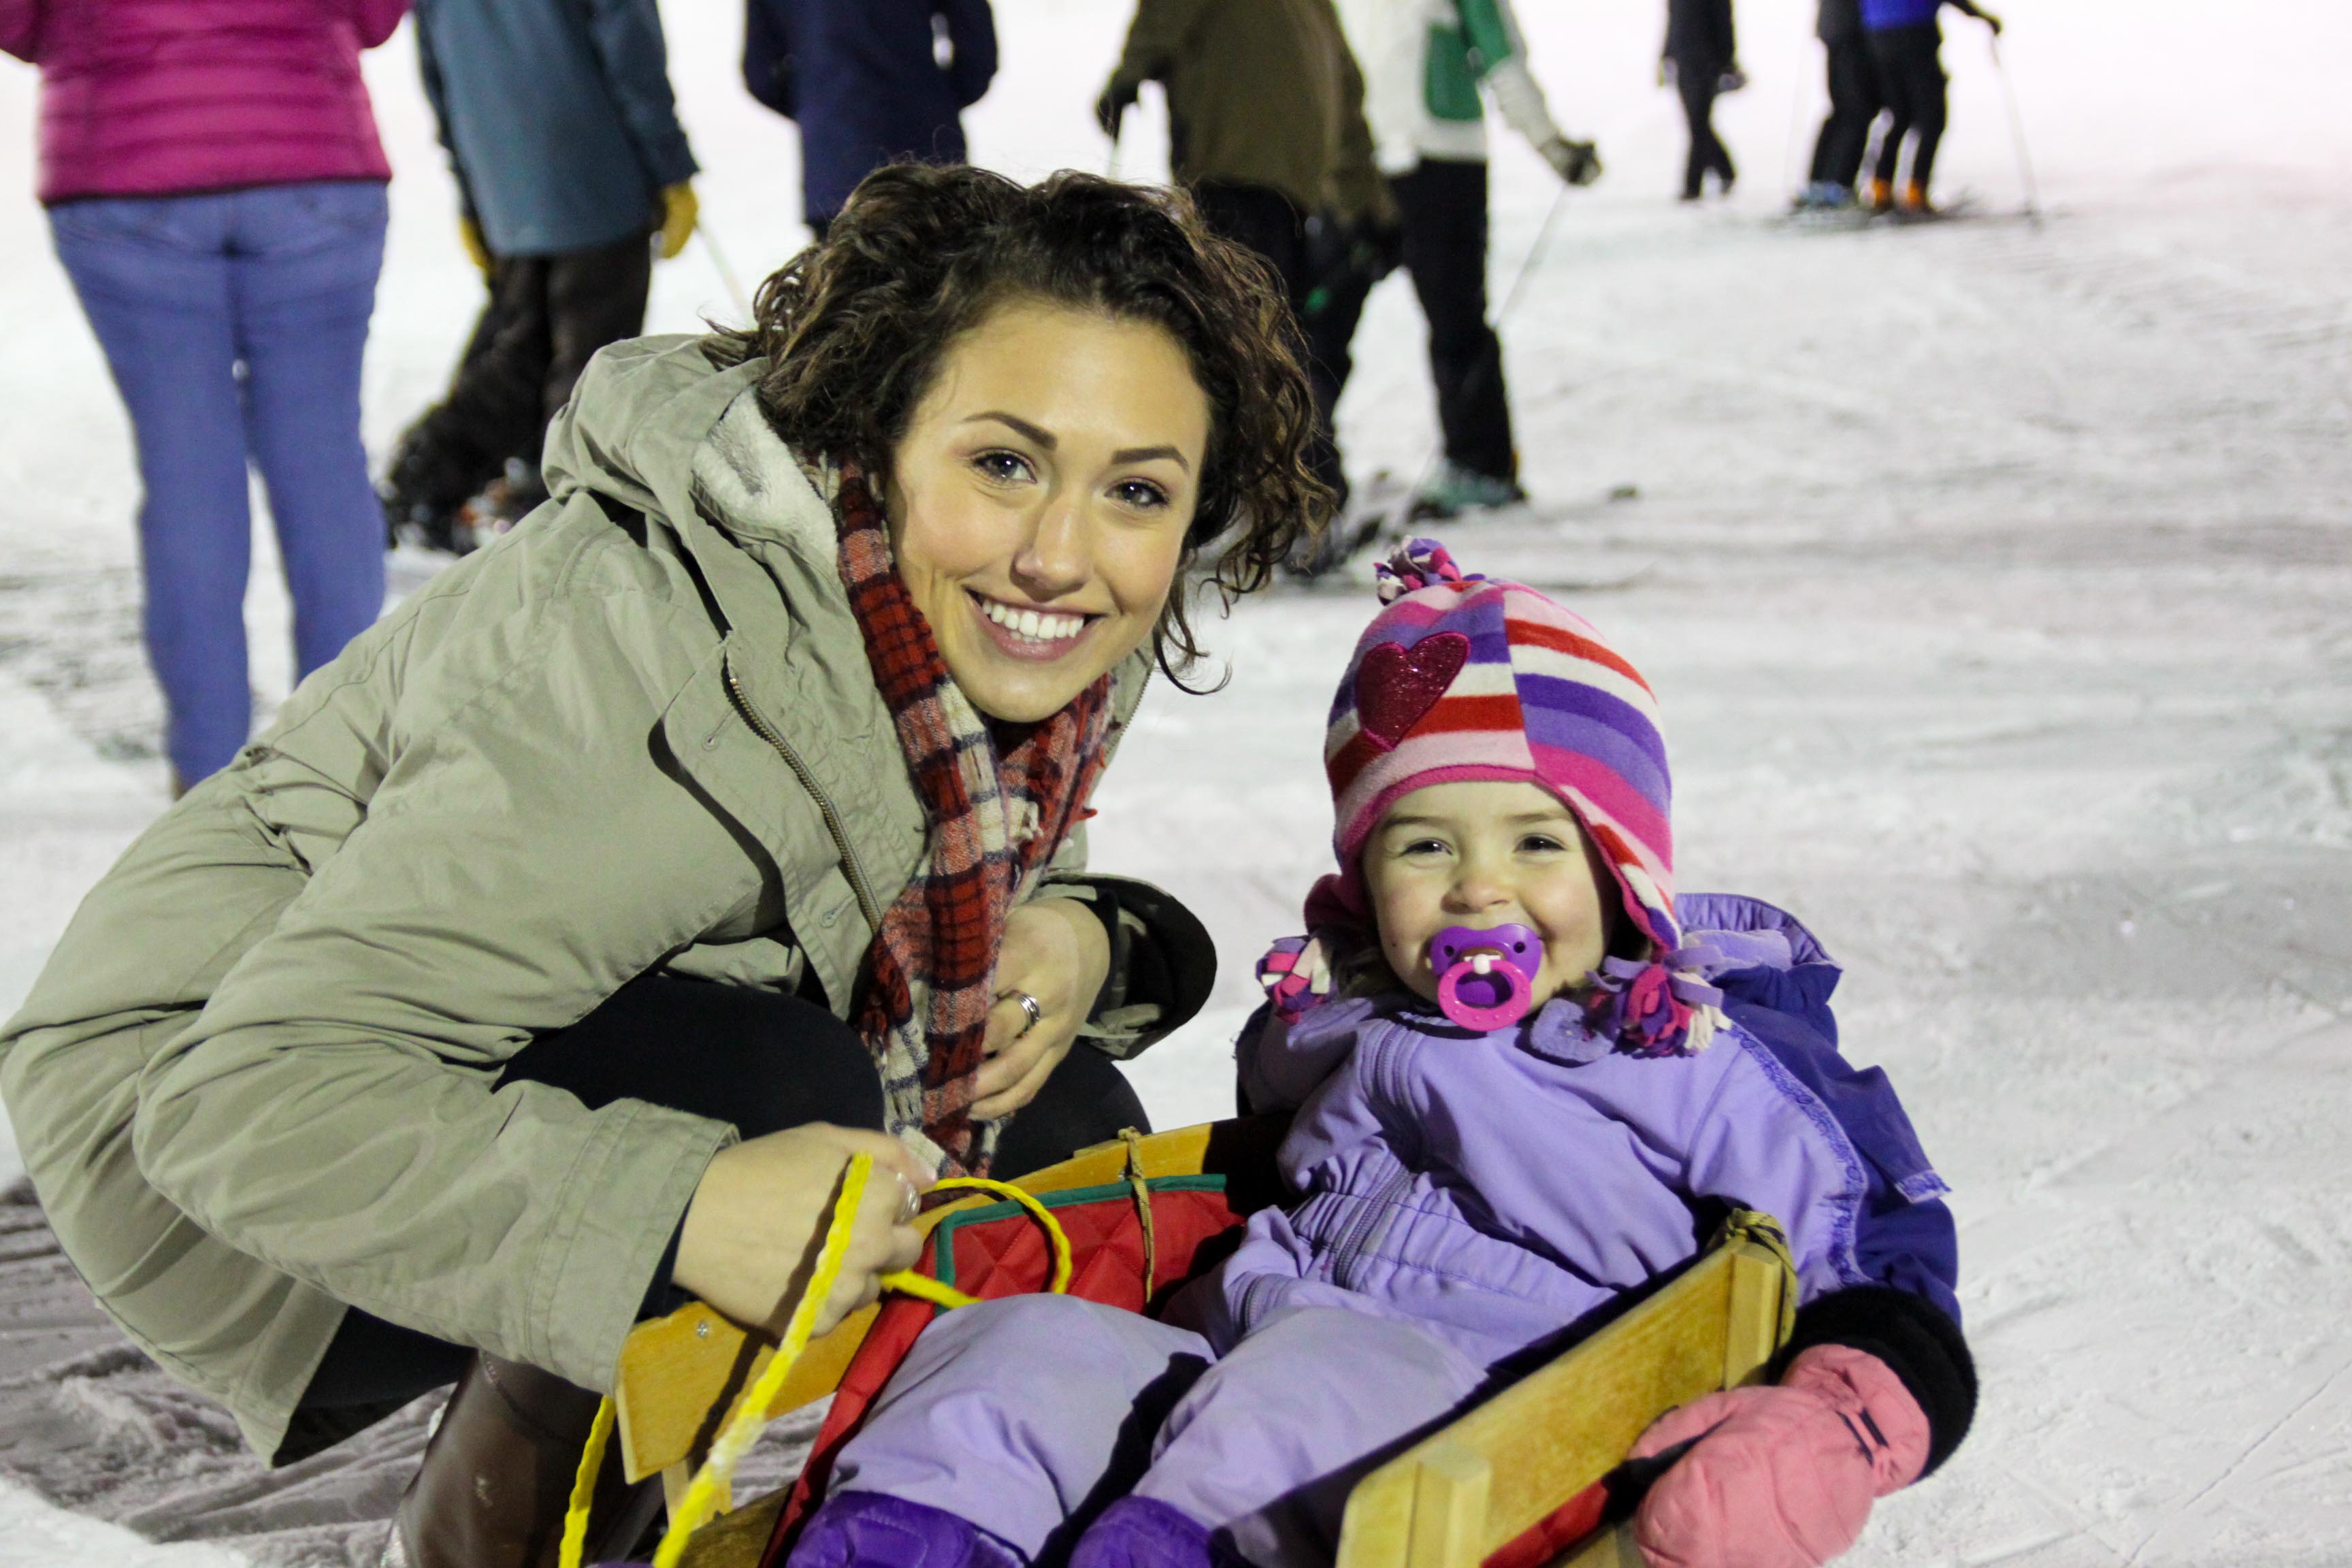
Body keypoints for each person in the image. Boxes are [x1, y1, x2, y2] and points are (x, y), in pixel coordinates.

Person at [0, 167, 1326, 1568]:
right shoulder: (652, 647)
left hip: (514, 1013)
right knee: (776, 1109)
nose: (1061, 555)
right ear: (877, 435)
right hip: (202, 1098)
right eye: (1003, 463)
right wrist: (681, 1208)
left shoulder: (984, 624)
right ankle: (474, 1551)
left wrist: (1073, 933)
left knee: (1056, 1130)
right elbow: (243, 1102)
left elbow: (942, 863)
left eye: (1134, 490)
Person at [781, 539, 1976, 1568]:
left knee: (1286, 1402)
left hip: (1493, 1405)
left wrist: (1830, 1423)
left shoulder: (1689, 1046)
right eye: (1420, 844)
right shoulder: (1338, 1020)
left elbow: (1877, 1239)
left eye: (1535, 839)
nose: (1478, 885)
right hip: (1242, 1339)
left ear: (1623, 863)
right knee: (1020, 1351)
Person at [0, 0, 408, 794]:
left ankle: (207, 772)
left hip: (123, 168)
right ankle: (345, 761)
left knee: (187, 468)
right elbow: (378, 13)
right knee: (324, 458)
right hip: (309, 156)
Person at [379, 0, 701, 555]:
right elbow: (629, 46)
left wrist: (472, 191)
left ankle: (433, 480)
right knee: (588, 367)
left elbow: (435, 71)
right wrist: (669, 165)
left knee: (520, 347)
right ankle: (558, 513)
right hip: (597, 166)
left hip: (502, 169)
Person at [1096, 0, 1389, 518]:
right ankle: (1301, 495)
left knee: (1253, 342)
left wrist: (1128, 75)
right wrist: (1367, 200)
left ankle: (1305, 499)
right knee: (1277, 336)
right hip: (1296, 185)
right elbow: (1347, 88)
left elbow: (1164, 16)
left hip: (1229, 169)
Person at [1320, 0, 1601, 521]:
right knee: (1320, 317)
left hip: (1442, 164)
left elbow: (1501, 56)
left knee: (1454, 319)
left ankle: (1482, 466)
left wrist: (1550, 143)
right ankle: (1303, 463)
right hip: (1358, 163)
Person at [745, 0, 998, 241]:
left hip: (833, 167)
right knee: (949, 273)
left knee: (849, 279)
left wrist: (817, 109)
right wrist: (938, 100)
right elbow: (977, 50)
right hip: (927, 150)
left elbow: (760, 76)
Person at [1861, 0, 2002, 216]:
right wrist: (1982, 17)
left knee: (1900, 115)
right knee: (1933, 119)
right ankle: (1916, 191)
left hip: (1878, 35)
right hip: (1916, 32)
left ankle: (1881, 188)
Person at [1796, 0, 1883, 211]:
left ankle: (1820, 182)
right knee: (1858, 110)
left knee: (1844, 109)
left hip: (1835, 27)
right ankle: (1838, 185)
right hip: (1852, 30)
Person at [1663, 0, 1740, 202]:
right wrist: (1666, 56)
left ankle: (1692, 187)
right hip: (1683, 61)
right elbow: (1672, 21)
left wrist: (1728, 63)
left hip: (1707, 63)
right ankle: (1726, 170)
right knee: (1697, 124)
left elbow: (1724, 24)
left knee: (1698, 123)